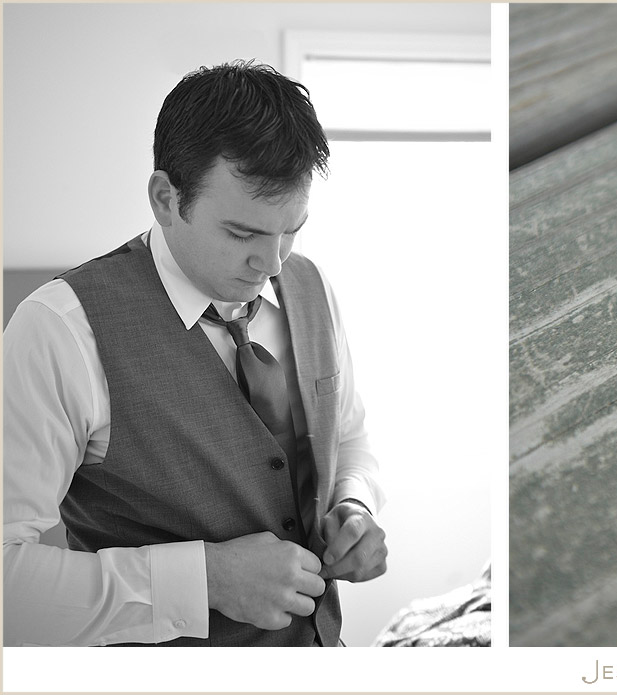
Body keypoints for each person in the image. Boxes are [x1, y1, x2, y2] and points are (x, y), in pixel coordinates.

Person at [3, 60, 387, 647]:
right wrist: (200, 580)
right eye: (241, 234)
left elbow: (350, 433)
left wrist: (355, 503)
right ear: (164, 197)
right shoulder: (58, 330)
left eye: (291, 229)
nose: (273, 263)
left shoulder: (311, 288)